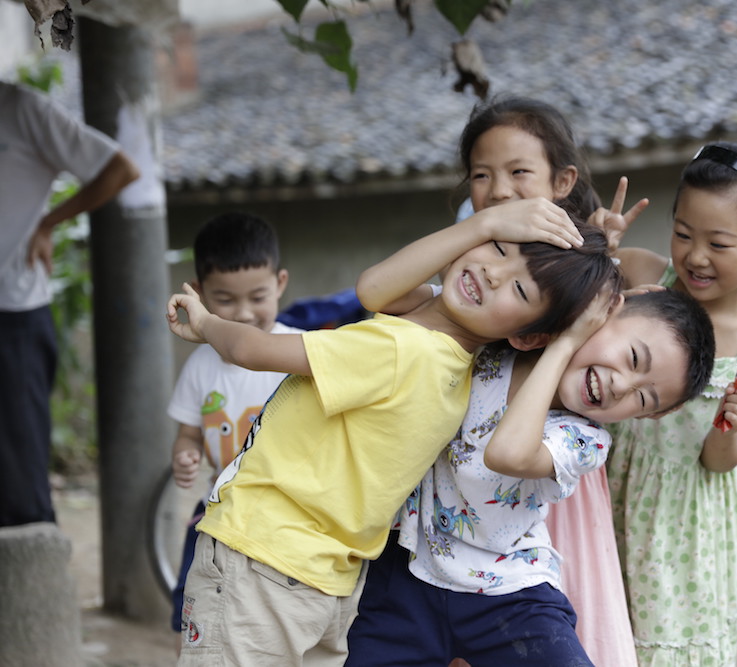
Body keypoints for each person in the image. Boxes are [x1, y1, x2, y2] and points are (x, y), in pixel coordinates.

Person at [165, 203, 617, 666]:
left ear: (526, 338)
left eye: (519, 287)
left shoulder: (401, 348)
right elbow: (375, 289)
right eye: (498, 247)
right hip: (326, 578)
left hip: (261, 556)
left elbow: (250, 347)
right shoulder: (460, 366)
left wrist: (203, 323)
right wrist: (485, 226)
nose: (492, 272)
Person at [346, 220, 715, 665]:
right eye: (634, 358)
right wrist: (483, 226)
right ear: (611, 310)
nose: (622, 385)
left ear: (650, 415)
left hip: (508, 594)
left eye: (643, 397)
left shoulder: (585, 439)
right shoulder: (502, 339)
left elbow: (507, 453)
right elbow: (378, 292)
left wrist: (567, 344)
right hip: (405, 572)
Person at [438, 95, 648, 666]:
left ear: (563, 182)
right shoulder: (477, 249)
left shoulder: (575, 261)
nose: (500, 189)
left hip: (539, 468)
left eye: (518, 172)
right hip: (460, 474)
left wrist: (607, 251)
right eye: (481, 175)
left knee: (542, 605)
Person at [605, 140, 737, 665]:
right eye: (683, 234)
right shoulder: (645, 277)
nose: (695, 256)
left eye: (719, 243)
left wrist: (731, 426)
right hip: (605, 488)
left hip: (678, 527)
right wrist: (598, 247)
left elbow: (719, 460)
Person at [0, 80, 138, 527]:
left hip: (13, 314)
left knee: (20, 489)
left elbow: (119, 168)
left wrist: (47, 223)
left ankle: (36, 595)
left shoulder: (19, 107)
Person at [164, 212, 301, 647]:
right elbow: (189, 433)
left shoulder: (297, 351)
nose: (243, 314)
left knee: (271, 619)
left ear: (279, 283)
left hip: (285, 518)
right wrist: (185, 454)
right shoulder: (200, 365)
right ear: (200, 294)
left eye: (257, 297)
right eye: (224, 300)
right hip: (217, 513)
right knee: (196, 610)